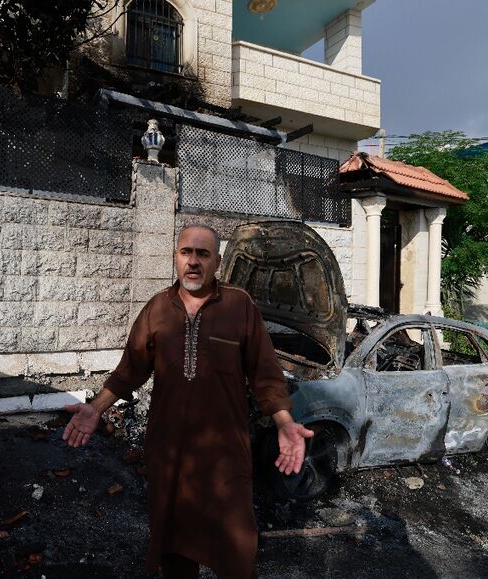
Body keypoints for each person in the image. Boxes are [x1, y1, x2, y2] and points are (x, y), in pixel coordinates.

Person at [62, 224, 313, 578]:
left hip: (226, 454)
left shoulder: (239, 306)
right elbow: (129, 370)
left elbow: (266, 374)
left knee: (237, 549)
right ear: (175, 258)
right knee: (174, 550)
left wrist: (285, 423)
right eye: (186, 253)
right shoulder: (157, 310)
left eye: (203, 254)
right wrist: (95, 408)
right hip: (170, 454)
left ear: (218, 262)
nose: (193, 262)